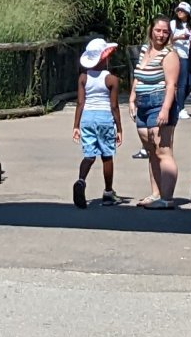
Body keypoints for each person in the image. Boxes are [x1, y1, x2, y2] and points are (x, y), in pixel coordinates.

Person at [128, 17, 183, 207]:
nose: (161, 35)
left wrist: (165, 109)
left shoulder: (169, 54)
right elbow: (138, 76)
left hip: (159, 102)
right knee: (151, 151)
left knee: (163, 150)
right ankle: (155, 193)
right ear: (151, 30)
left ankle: (167, 198)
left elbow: (171, 85)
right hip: (143, 105)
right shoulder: (145, 50)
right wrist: (132, 98)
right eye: (158, 30)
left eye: (165, 31)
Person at [69, 36, 124, 208]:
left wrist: (76, 125)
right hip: (104, 117)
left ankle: (80, 181)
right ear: (105, 57)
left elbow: (80, 103)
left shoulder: (83, 77)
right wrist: (119, 128)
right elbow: (114, 106)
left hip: (87, 117)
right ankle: (108, 192)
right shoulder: (111, 79)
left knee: (89, 155)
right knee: (107, 156)